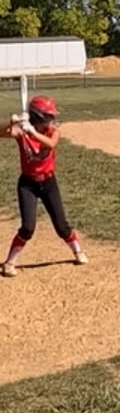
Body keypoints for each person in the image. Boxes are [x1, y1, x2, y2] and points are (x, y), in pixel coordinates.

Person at [3, 97, 84, 279]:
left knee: (61, 225)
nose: (52, 119)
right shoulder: (22, 131)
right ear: (38, 116)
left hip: (48, 183)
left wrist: (32, 131)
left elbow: (51, 144)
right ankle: (9, 262)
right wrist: (12, 122)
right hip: (28, 184)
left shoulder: (53, 131)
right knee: (27, 227)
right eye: (48, 116)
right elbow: (1, 132)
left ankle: (78, 251)